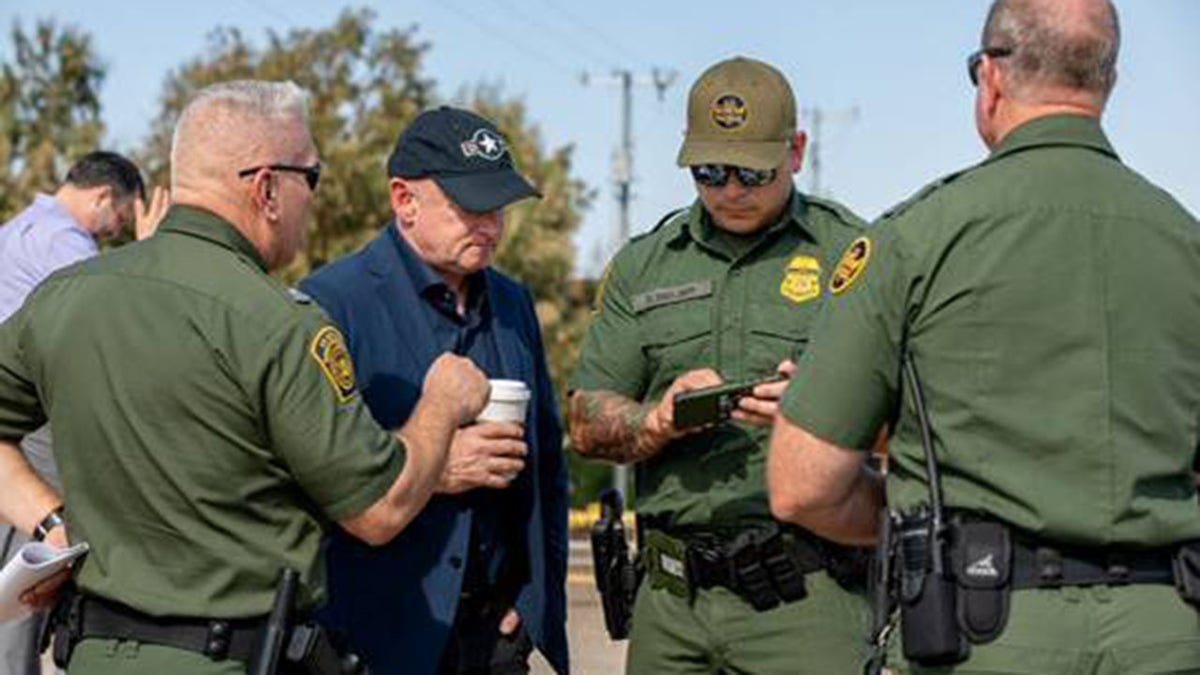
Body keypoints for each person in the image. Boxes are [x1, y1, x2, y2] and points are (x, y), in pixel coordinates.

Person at [0, 79, 491, 674]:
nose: (314, 197)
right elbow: (380, 510)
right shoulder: (279, 323)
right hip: (230, 656)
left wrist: (52, 522)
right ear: (267, 188)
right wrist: (440, 404)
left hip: (97, 655)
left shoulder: (66, 297)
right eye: (310, 176)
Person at [768, 1, 1200, 673]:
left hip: (983, 627)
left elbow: (800, 482)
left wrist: (910, 518)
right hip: (1170, 628)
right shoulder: (1185, 241)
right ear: (1107, 82)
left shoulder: (915, 239)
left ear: (990, 78)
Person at [569, 56, 869, 674]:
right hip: (673, 604)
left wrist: (817, 414)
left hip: (807, 599)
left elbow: (921, 418)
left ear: (796, 151)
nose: (730, 190)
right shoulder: (644, 266)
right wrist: (657, 421)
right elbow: (586, 418)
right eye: (708, 171)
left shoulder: (856, 258)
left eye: (752, 172)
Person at [299, 106, 569, 675]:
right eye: (470, 208)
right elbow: (303, 473)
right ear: (404, 200)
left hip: (494, 638)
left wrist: (533, 603)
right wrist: (433, 468)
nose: (490, 227)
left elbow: (547, 460)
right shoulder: (331, 303)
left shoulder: (514, 302)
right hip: (377, 636)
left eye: (497, 209)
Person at [0, 150, 168, 675]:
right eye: (120, 218)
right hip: (35, 426)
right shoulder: (65, 243)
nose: (116, 230)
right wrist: (150, 252)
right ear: (104, 197)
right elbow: (114, 319)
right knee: (32, 573)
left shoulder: (18, 228)